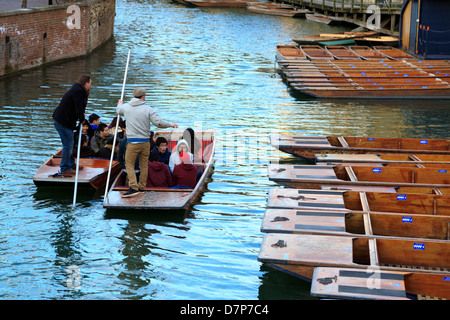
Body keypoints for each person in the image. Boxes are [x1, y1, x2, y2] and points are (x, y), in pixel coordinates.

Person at [116, 87, 178, 198]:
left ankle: (133, 187)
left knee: (129, 164)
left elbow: (118, 110)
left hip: (132, 142)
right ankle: (142, 186)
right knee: (144, 165)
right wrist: (170, 124)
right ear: (143, 97)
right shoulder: (149, 109)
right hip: (145, 142)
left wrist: (119, 104)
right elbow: (158, 123)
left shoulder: (125, 107)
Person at [52, 74, 91, 175]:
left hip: (65, 120)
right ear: (86, 83)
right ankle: (65, 168)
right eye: (90, 83)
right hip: (63, 121)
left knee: (70, 143)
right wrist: (82, 119)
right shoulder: (78, 92)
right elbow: (78, 109)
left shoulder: (79, 91)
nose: (91, 86)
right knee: (68, 145)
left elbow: (79, 108)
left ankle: (71, 164)